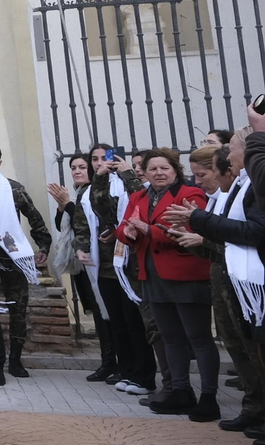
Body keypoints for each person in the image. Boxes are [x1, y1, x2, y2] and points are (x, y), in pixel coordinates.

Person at [165, 139, 265, 431]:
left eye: (203, 174)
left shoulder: (250, 190)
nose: (198, 181)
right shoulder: (226, 193)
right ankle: (254, 406)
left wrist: (199, 224)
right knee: (237, 347)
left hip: (247, 284)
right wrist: (194, 231)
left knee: (253, 349)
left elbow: (251, 234)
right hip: (226, 280)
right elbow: (223, 239)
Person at [115, 147, 217, 420]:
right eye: (153, 169)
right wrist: (127, 232)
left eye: (164, 168)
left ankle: (209, 397)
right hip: (152, 276)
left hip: (186, 275)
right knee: (169, 338)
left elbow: (194, 231)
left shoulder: (190, 194)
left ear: (175, 170)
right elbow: (124, 227)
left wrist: (151, 231)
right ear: (144, 173)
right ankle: (180, 392)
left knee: (198, 339)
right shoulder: (138, 196)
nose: (159, 173)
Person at [0, 143, 51, 384]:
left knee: (18, 307)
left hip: (13, 256)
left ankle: (15, 359)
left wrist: (43, 245)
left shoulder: (14, 189)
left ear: (1, 162)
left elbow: (34, 217)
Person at [93, 146, 167, 399]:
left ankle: (148, 377)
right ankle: (129, 371)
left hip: (145, 268)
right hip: (121, 265)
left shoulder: (148, 192)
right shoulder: (125, 192)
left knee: (143, 325)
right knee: (123, 321)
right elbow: (101, 206)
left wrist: (128, 175)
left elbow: (145, 206)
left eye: (139, 166)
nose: (135, 169)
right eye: (134, 165)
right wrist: (102, 176)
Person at [47, 155, 116, 387]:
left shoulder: (94, 193)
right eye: (73, 167)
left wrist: (67, 204)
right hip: (79, 261)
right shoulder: (76, 193)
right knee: (97, 312)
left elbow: (87, 221)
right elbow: (62, 225)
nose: (77, 171)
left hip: (95, 260)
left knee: (105, 312)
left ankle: (112, 363)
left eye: (82, 167)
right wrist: (61, 206)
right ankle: (107, 362)